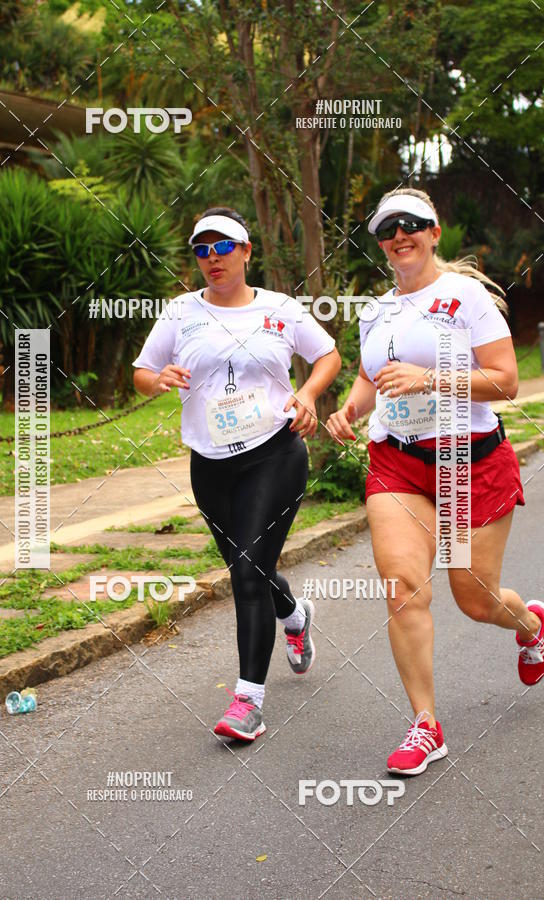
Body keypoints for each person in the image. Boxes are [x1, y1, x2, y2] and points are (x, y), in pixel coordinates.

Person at [326, 187, 544, 776]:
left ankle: (531, 624)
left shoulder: (465, 296)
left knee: (475, 600)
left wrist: (434, 377)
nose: (399, 235)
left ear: (434, 231)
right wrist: (350, 409)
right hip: (397, 460)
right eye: (387, 228)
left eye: (411, 224)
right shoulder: (376, 311)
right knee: (402, 585)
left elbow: (505, 383)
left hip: (470, 462)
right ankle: (426, 725)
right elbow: (374, 378)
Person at [133, 206, 341, 741]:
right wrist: (159, 379)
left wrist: (309, 394)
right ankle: (294, 615)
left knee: (247, 571)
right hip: (211, 462)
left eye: (222, 246)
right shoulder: (181, 312)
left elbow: (328, 355)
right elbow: (141, 372)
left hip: (275, 451)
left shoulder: (281, 309)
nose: (211, 258)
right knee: (250, 567)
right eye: (201, 249)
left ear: (246, 251)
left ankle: (248, 703)